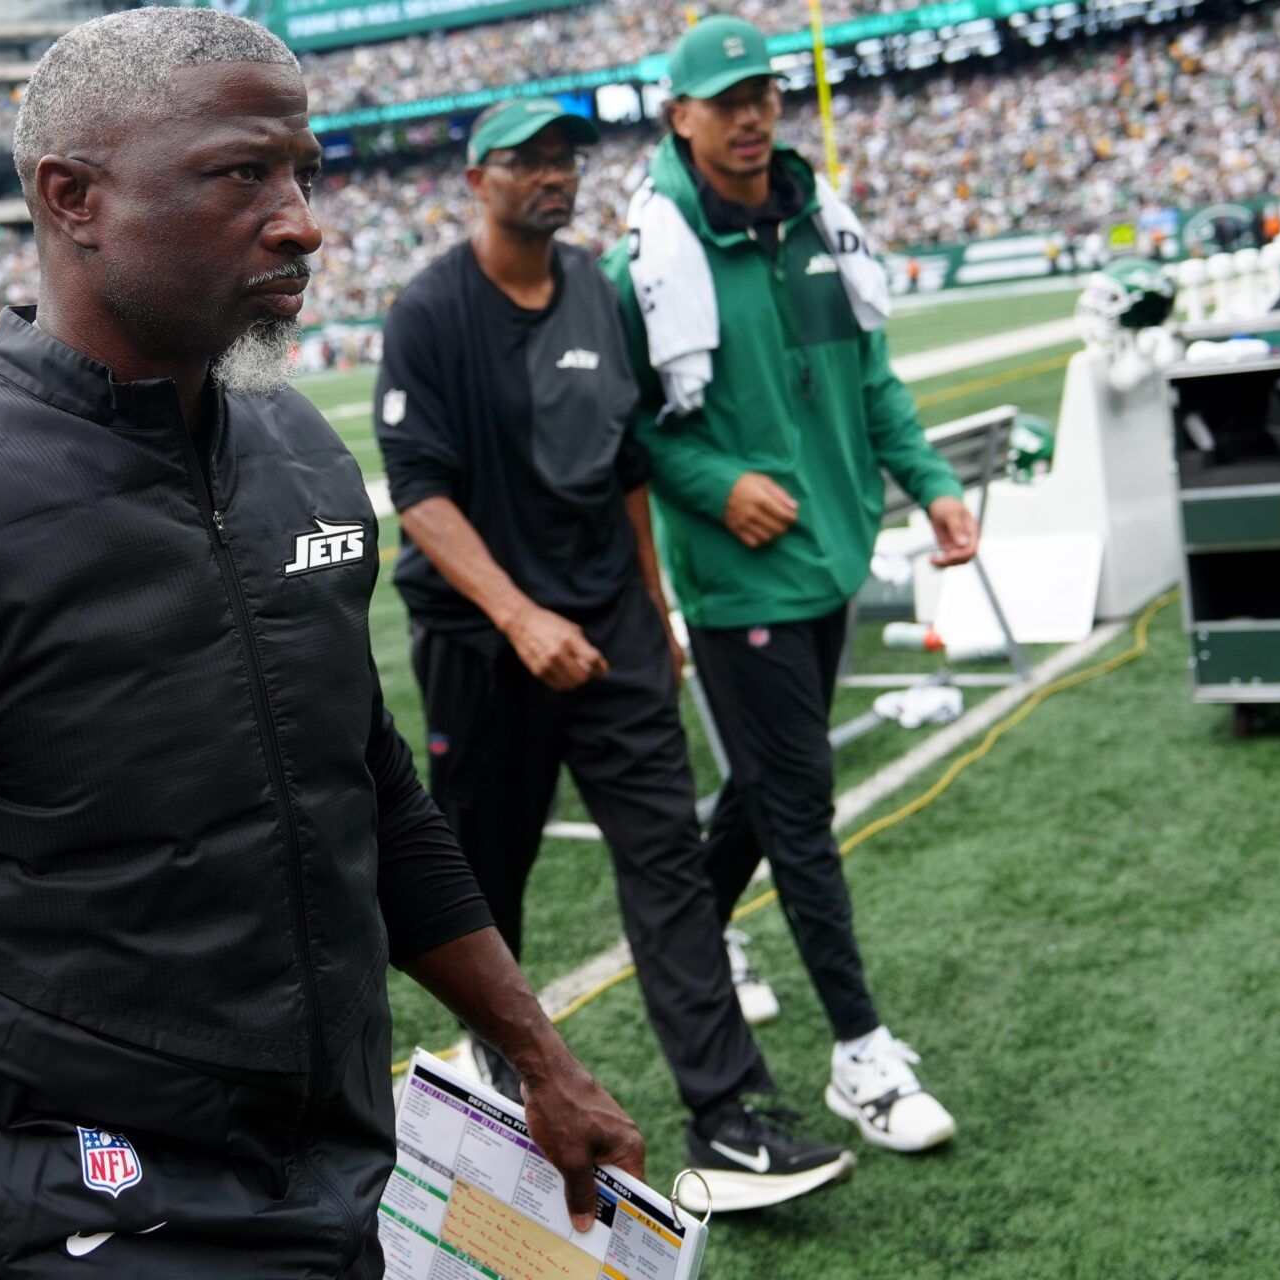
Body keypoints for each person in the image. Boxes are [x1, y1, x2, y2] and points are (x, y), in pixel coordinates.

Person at [0, 12, 642, 1280]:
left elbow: (368, 793)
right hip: (80, 1230)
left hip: (339, 1190)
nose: (302, 221)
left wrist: (543, 1059)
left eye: (306, 173)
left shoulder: (303, 458)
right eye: (244, 174)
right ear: (73, 198)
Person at [373, 97, 854, 1214]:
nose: (551, 175)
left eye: (564, 158)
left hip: (612, 635)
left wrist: (651, 604)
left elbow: (629, 460)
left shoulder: (596, 284)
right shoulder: (431, 310)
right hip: (484, 646)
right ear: (475, 178)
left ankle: (729, 1116)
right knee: (485, 870)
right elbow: (422, 495)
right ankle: (500, 1065)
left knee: (671, 868)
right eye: (526, 160)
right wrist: (517, 618)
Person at [602, 16, 978, 1157]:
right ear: (680, 118)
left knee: (767, 793)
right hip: (740, 580)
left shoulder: (819, 223)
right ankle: (860, 1054)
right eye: (727, 101)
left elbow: (873, 380)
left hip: (833, 556)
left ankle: (695, 936)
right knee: (801, 811)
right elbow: (627, 433)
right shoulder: (648, 259)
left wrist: (930, 482)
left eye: (764, 93)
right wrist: (716, 485)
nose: (754, 114)